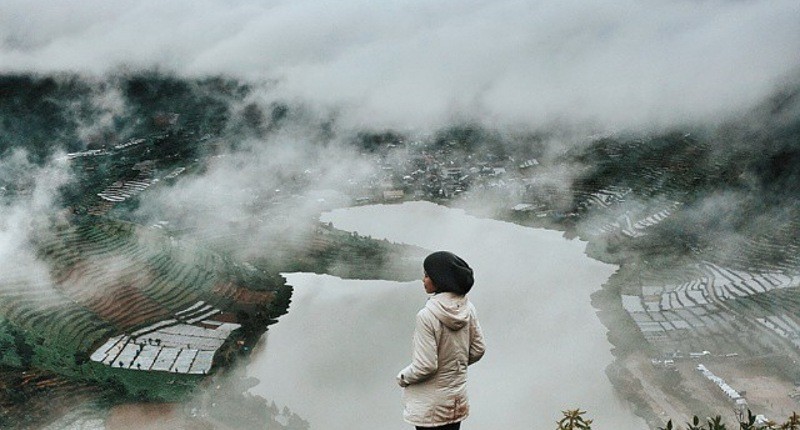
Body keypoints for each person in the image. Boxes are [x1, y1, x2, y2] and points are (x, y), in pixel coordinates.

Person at [396, 251, 486, 430]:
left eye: (428, 275)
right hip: (455, 403)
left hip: (430, 408)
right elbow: (478, 349)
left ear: (439, 279)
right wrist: (454, 365)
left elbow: (426, 365)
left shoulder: (427, 315)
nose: (423, 279)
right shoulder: (468, 308)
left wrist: (402, 378)